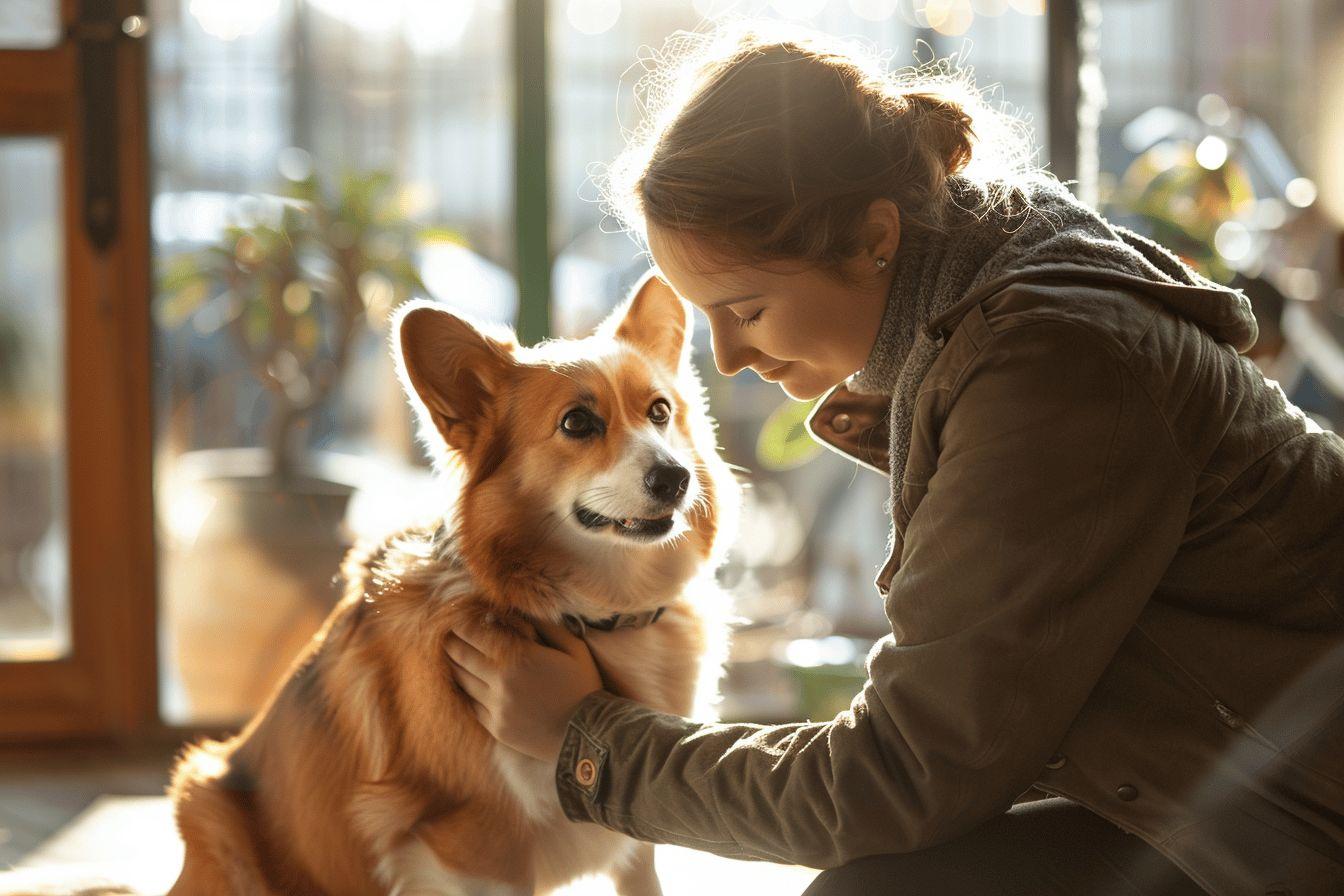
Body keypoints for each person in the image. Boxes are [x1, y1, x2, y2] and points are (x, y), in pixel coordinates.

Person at [444, 23, 1344, 895]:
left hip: (1304, 829)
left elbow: (898, 776)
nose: (723, 360)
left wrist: (586, 740)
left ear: (878, 237)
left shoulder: (1048, 368)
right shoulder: (996, 289)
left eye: (746, 309)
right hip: (1237, 798)